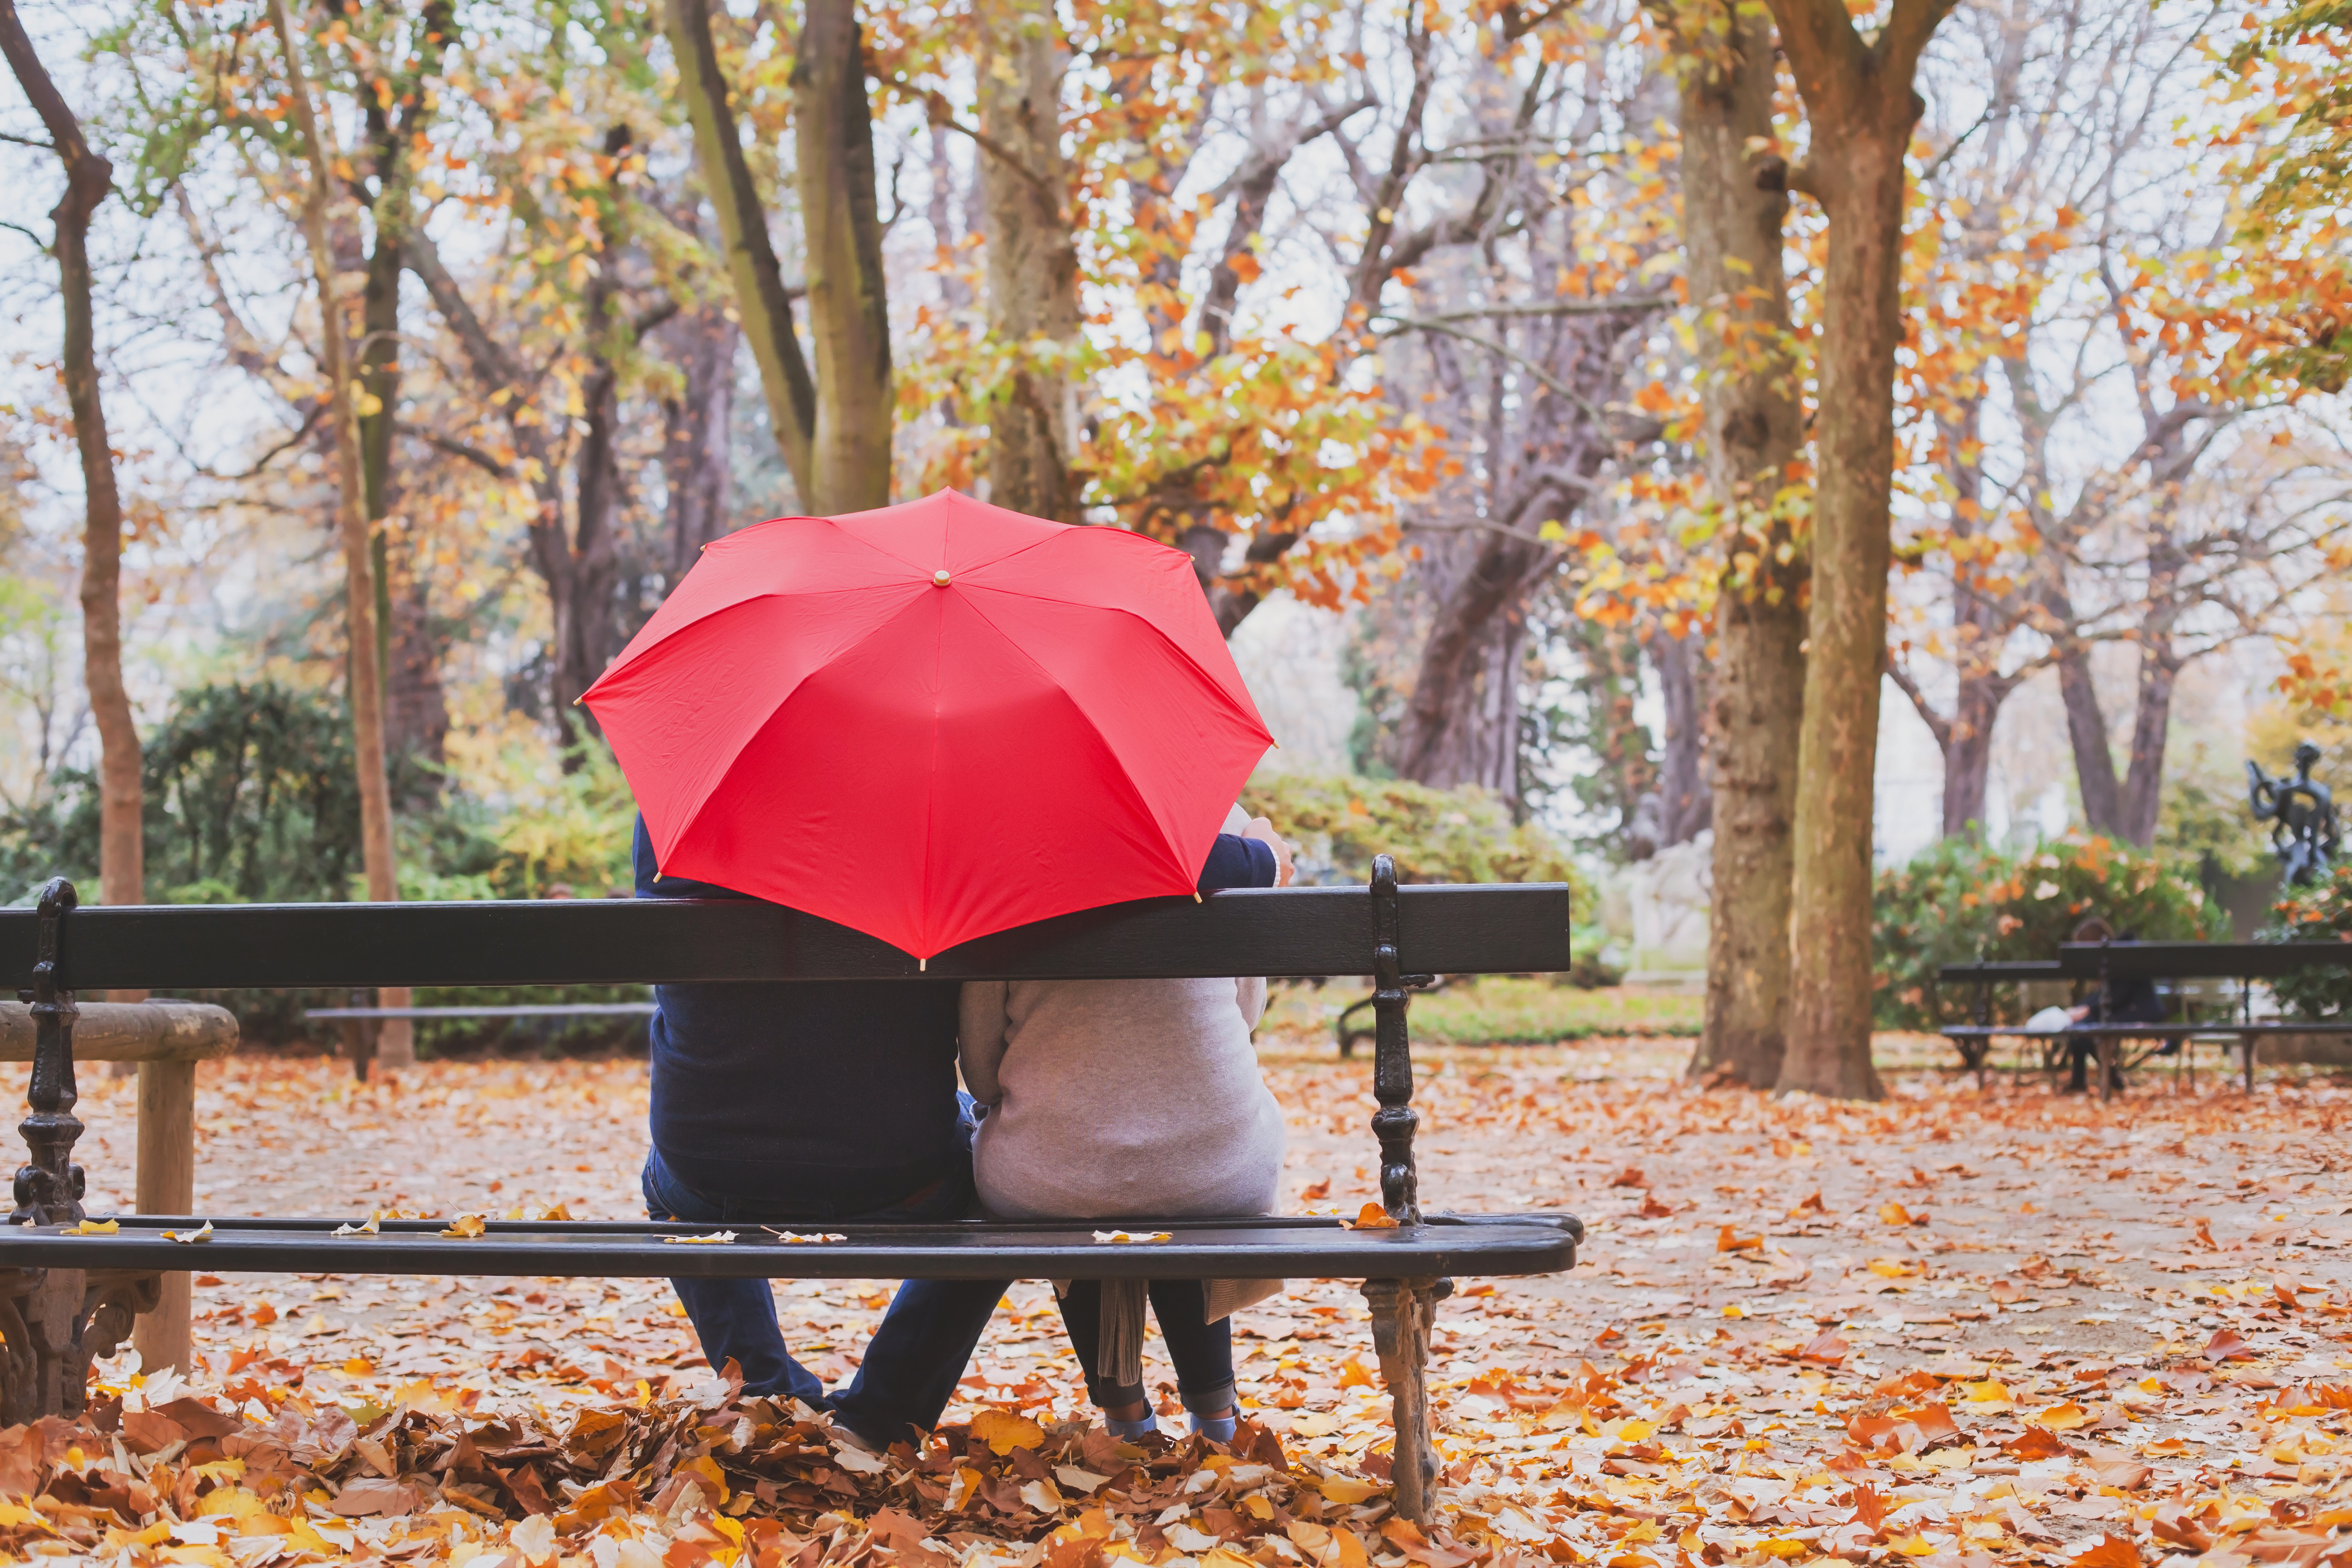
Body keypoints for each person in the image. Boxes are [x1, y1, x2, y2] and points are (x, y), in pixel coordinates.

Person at [634, 811, 1285, 1448]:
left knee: (667, 1185)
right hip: (896, 1171)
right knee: (983, 1192)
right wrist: (1257, 854)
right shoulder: (925, 801)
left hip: (708, 1165)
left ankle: (764, 1390)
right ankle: (883, 1413)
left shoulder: (677, 807)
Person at [958, 805, 1295, 1444]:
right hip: (1218, 1171)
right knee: (1183, 1161)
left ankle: (1126, 1414)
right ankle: (1217, 1411)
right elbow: (1245, 1016)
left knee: (1072, 1158)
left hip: (1049, 1180)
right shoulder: (1220, 828)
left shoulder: (1000, 846)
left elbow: (979, 1070)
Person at [2059, 916, 2168, 1093]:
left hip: (2139, 1011)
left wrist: (2086, 1008)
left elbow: (2118, 994)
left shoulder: (2122, 956)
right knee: (2079, 1030)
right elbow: (2109, 994)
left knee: (2084, 1031)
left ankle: (2110, 1074)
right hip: (2127, 1009)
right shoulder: (2117, 954)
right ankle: (2088, 1079)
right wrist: (2082, 1007)